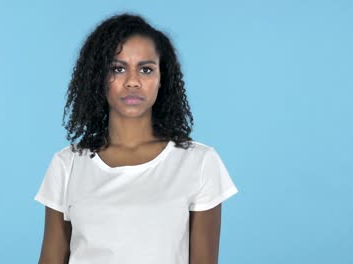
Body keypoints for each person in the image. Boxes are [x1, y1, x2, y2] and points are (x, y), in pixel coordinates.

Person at [34, 12, 238, 264]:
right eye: (118, 69)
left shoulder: (199, 162)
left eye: (146, 69)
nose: (132, 82)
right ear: (99, 78)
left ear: (162, 79)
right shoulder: (67, 164)